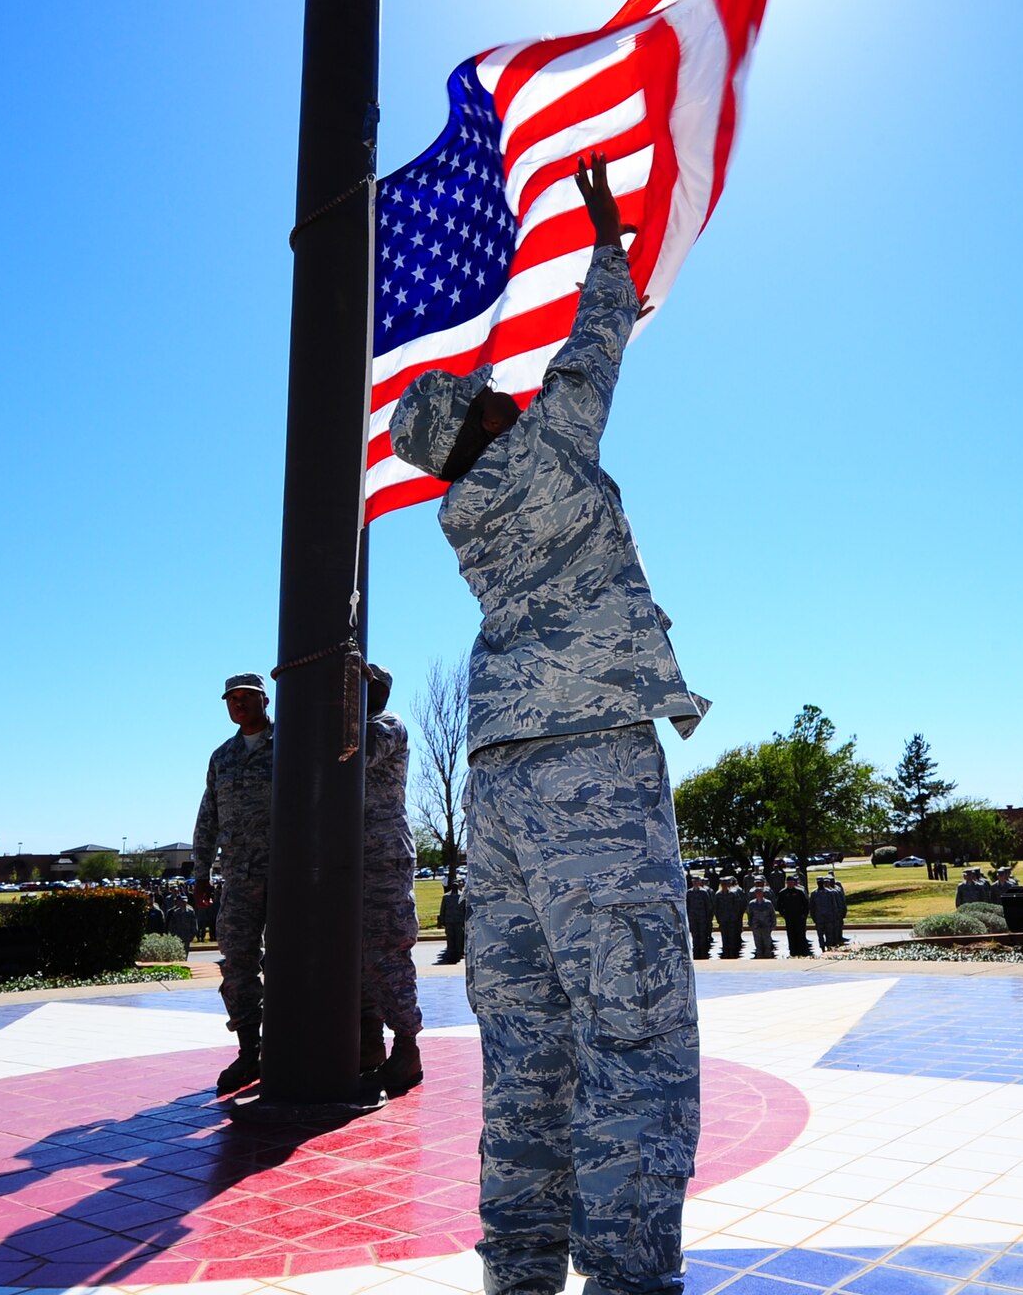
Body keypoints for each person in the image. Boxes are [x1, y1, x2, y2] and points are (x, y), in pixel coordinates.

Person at [386, 152, 709, 1295]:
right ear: (478, 423)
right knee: (636, 1044)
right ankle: (627, 1281)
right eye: (483, 396)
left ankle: (517, 1275)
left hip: (497, 789)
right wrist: (613, 248)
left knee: (525, 1056)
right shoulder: (547, 451)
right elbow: (595, 345)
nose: (502, 392)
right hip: (588, 772)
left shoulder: (467, 517)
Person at [191, 672, 274, 1095]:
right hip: (239, 877)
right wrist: (200, 871)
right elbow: (209, 818)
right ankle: (249, 1050)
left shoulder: (290, 743)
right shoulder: (222, 756)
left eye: (246, 698)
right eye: (231, 699)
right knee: (237, 961)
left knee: (287, 961)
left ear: (265, 700)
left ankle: (287, 1044)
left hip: (286, 875)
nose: (238, 705)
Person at [359, 665, 425, 1094]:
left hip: (383, 856)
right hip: (353, 858)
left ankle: (407, 1048)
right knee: (357, 956)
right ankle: (369, 1043)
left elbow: (356, 754)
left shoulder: (387, 726)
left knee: (388, 953)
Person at [775, 874, 811, 957]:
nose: (790, 884)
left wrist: (804, 914)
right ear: (786, 883)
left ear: (794, 883)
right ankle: (793, 951)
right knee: (791, 935)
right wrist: (783, 914)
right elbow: (779, 905)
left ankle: (802, 951)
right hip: (789, 918)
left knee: (801, 934)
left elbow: (805, 904)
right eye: (789, 882)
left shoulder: (799, 892)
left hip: (799, 917)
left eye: (792, 882)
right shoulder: (783, 893)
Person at [810, 872, 848, 950]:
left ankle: (829, 948)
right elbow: (812, 907)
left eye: (821, 882)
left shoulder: (830, 893)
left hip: (829, 917)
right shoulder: (814, 893)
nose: (820, 884)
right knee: (820, 935)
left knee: (829, 935)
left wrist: (835, 916)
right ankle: (822, 948)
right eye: (818, 882)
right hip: (819, 918)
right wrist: (813, 917)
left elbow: (834, 905)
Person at [713, 875, 746, 960]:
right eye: (723, 884)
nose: (724, 886)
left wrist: (735, 918)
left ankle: (732, 954)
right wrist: (718, 919)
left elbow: (737, 907)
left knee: (732, 938)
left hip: (732, 920)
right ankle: (725, 954)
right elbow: (716, 908)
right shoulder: (718, 895)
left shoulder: (733, 894)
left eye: (726, 884)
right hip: (723, 920)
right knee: (724, 938)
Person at [437, 879, 469, 964]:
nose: (455, 887)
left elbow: (465, 909)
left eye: (456, 885)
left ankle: (458, 955)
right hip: (449, 921)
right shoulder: (446, 897)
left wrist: (466, 920)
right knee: (450, 939)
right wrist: (442, 920)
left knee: (459, 939)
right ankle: (450, 955)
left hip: (459, 921)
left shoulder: (462, 896)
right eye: (453, 885)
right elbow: (443, 909)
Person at [747, 883, 778, 960]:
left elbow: (772, 915)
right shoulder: (752, 904)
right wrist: (751, 925)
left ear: (763, 893)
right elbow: (750, 915)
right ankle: (759, 959)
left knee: (767, 945)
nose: (759, 894)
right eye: (757, 893)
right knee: (758, 945)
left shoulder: (768, 903)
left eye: (760, 892)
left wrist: (773, 925)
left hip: (766, 926)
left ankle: (767, 958)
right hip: (756, 927)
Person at [685, 875, 713, 961]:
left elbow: (708, 906)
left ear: (699, 882)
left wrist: (708, 918)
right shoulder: (689, 893)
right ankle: (696, 954)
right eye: (693, 881)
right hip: (693, 918)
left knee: (703, 936)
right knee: (695, 936)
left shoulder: (704, 892)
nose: (695, 883)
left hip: (702, 918)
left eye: (697, 881)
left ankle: (703, 954)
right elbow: (687, 906)